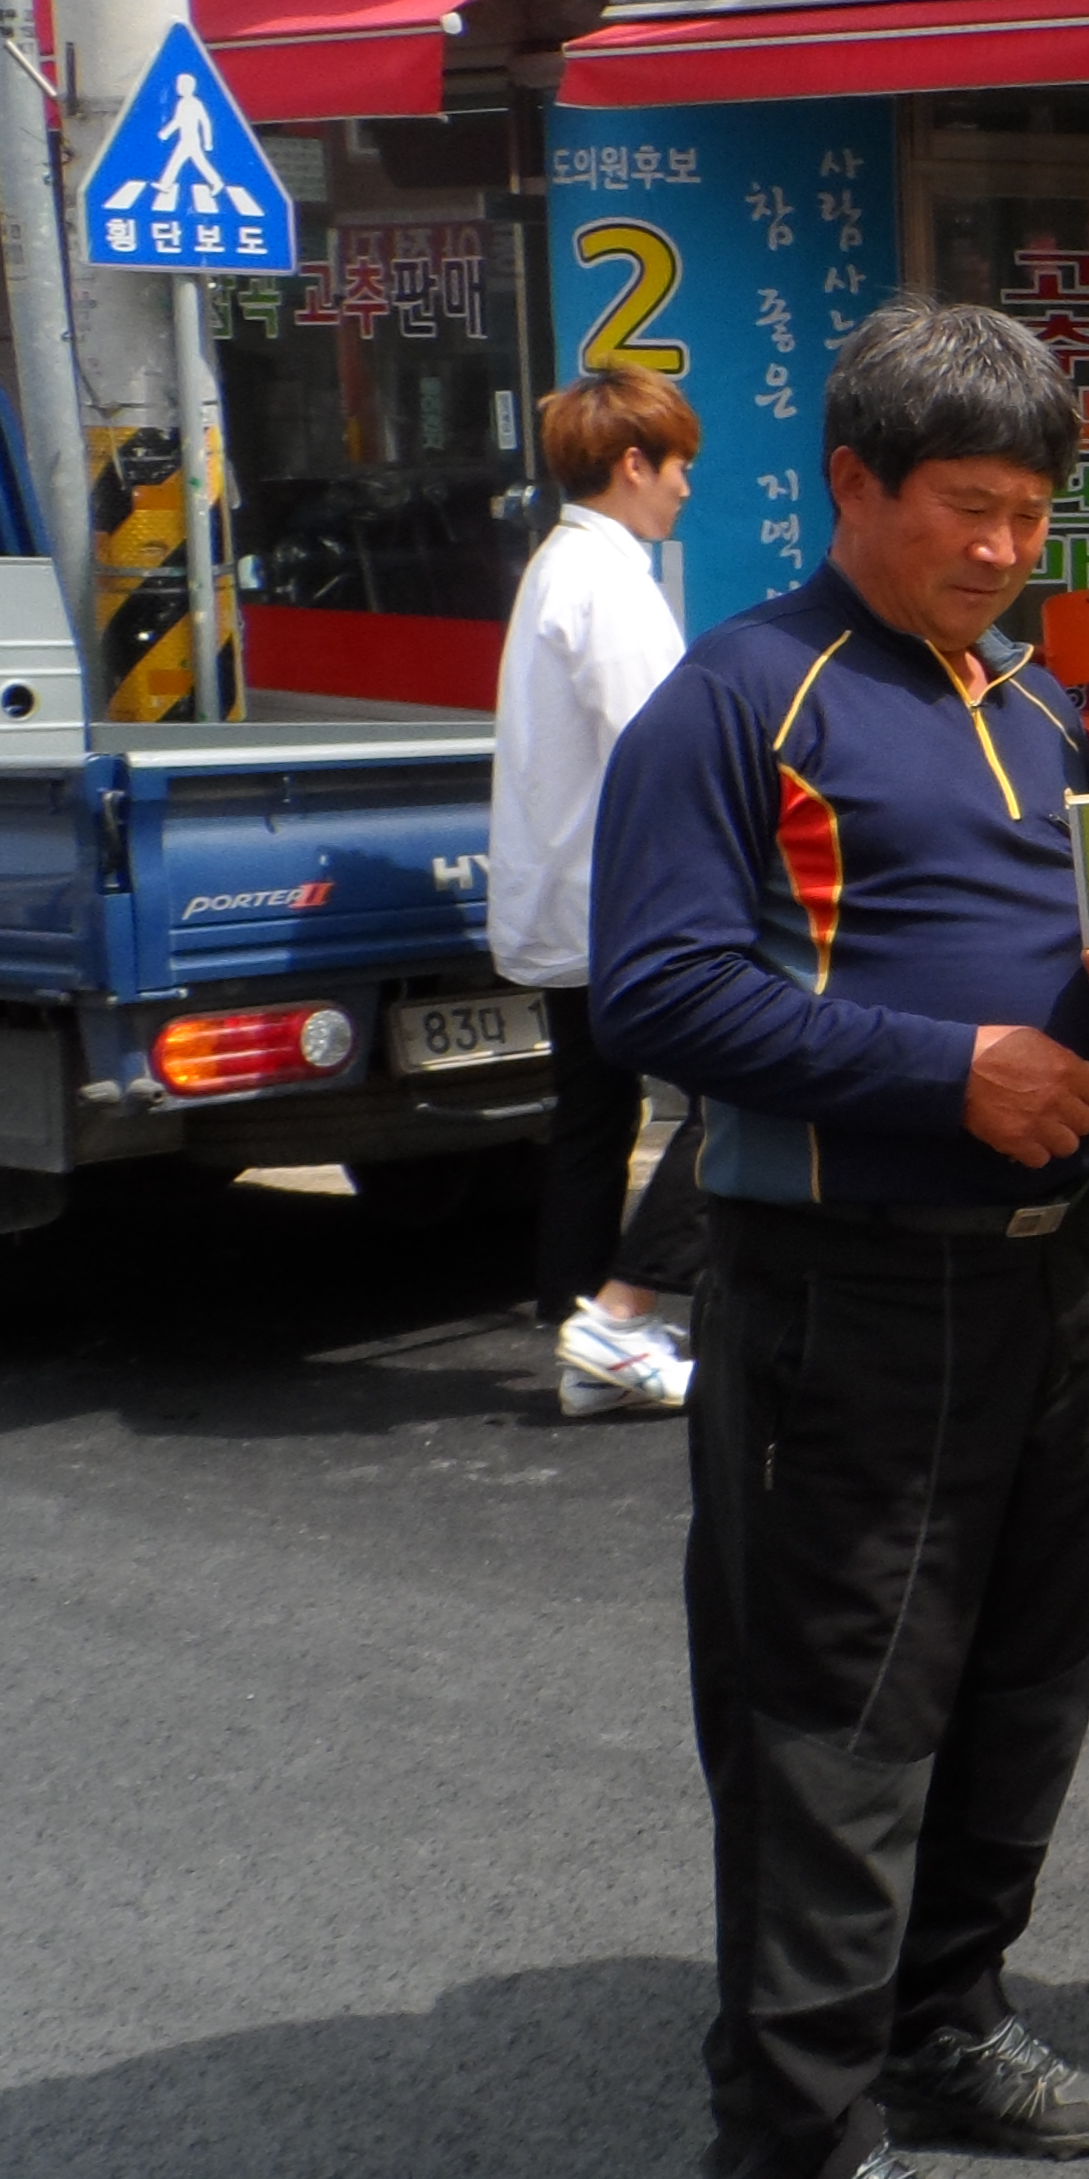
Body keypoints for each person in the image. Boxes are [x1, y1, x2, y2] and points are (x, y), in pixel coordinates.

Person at [594, 301, 1089, 2179]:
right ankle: (795, 2147)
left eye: (1034, 510)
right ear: (851, 484)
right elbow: (659, 995)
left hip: (1053, 1287)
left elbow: (1081, 963)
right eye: (969, 507)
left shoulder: (1027, 704)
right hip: (847, 1299)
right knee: (834, 1727)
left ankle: (948, 2022)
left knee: (1024, 1686)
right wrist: (945, 1075)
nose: (1008, 546)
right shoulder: (738, 696)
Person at [493, 369, 713, 1415]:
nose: (685, 491)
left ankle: (584, 1338)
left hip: (566, 902)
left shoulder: (557, 566)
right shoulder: (611, 580)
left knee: (592, 1117)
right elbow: (662, 748)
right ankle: (619, 1316)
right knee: (743, 1096)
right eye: (679, 469)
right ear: (635, 464)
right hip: (628, 906)